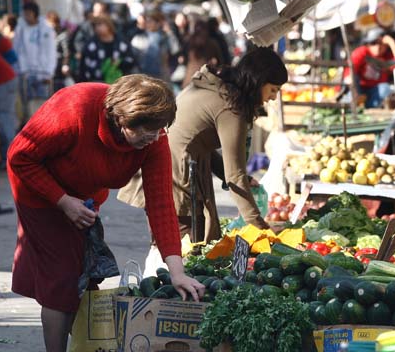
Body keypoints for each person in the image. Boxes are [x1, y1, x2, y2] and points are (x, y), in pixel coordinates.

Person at [7, 75, 204, 352]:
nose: (154, 137)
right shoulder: (74, 108)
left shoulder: (154, 138)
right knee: (62, 278)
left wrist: (177, 272)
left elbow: (161, 204)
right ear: (122, 118)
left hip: (84, 198)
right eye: (147, 130)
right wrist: (62, 201)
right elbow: (19, 156)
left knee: (83, 276)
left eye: (160, 130)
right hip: (40, 191)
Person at [118, 47, 287, 250]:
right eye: (273, 90)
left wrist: (227, 176)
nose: (272, 98)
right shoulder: (231, 107)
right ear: (259, 81)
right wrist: (260, 228)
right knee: (181, 253)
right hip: (173, 179)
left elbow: (199, 144)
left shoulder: (216, 87)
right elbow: (236, 175)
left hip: (163, 168)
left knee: (169, 252)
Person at [13, 2, 57, 117]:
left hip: (43, 74)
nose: (27, 16)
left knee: (43, 105)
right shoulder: (20, 29)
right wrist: (20, 69)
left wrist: (49, 72)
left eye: (29, 14)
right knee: (27, 105)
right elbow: (17, 50)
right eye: (25, 14)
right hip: (26, 74)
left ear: (35, 14)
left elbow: (51, 52)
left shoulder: (47, 29)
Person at [348, 28, 395, 108]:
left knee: (385, 88)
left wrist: (392, 43)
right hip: (359, 89)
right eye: (373, 43)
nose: (378, 46)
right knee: (352, 85)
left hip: (375, 93)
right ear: (367, 44)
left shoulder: (387, 57)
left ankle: (370, 109)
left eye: (381, 43)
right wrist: (357, 94)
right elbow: (349, 73)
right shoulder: (362, 52)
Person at [79, 15, 136, 83]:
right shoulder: (91, 44)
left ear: (108, 25)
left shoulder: (121, 42)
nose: (97, 28)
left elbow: (130, 60)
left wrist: (119, 63)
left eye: (100, 24)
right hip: (97, 82)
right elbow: (85, 65)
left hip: (119, 83)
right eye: (95, 26)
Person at [131, 10, 180, 81]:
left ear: (158, 23)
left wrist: (169, 32)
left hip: (161, 76)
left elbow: (175, 50)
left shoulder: (165, 37)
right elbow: (134, 58)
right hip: (143, 76)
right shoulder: (139, 38)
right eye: (147, 21)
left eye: (150, 21)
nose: (148, 23)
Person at [0, 30, 17, 166]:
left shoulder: (2, 41)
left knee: (4, 118)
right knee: (5, 117)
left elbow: (13, 57)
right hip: (6, 80)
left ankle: (10, 157)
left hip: (4, 82)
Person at [45, 11, 72, 91]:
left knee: (59, 88)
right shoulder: (46, 35)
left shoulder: (62, 36)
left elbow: (66, 52)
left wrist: (65, 65)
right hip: (49, 67)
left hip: (59, 67)